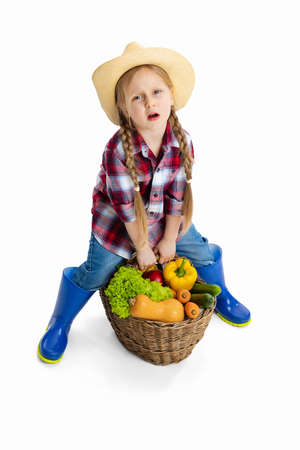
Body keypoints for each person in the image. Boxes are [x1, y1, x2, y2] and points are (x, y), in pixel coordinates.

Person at [38, 42, 251, 364]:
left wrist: (168, 238)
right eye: (137, 97)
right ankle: (61, 321)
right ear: (124, 108)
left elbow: (177, 192)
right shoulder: (117, 151)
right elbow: (125, 207)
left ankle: (222, 295)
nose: (149, 101)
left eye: (157, 92)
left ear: (171, 96)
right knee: (98, 274)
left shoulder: (182, 141)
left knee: (200, 252)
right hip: (119, 227)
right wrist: (143, 246)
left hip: (165, 219)